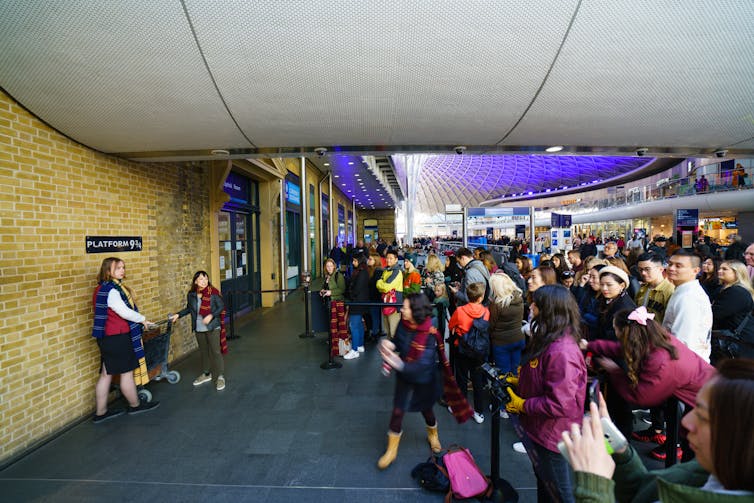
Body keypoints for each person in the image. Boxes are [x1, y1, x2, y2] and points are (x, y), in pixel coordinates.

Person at [562, 359, 754, 503]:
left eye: (703, 417)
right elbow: (642, 490)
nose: (686, 422)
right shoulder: (710, 470)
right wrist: (619, 450)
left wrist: (593, 487)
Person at [583, 306, 714, 461]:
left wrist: (615, 371)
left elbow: (641, 396)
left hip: (710, 403)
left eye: (615, 330)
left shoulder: (659, 360)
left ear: (625, 332)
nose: (615, 335)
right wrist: (590, 345)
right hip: (705, 392)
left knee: (696, 452)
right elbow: (623, 349)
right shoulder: (655, 339)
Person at [504, 284, 587, 503]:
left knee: (559, 491)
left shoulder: (562, 351)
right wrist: (520, 381)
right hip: (540, 428)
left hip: (552, 433)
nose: (530, 306)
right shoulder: (550, 338)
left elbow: (560, 403)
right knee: (545, 484)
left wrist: (523, 405)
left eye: (536, 304)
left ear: (548, 310)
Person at [377, 293, 473, 469]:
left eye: (405, 308)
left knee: (427, 410)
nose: (401, 310)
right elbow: (398, 341)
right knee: (398, 410)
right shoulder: (404, 323)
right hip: (405, 375)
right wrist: (390, 346)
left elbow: (422, 365)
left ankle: (433, 435)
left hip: (424, 378)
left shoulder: (430, 332)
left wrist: (396, 362)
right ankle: (391, 451)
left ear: (416, 311)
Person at [91, 257, 159, 422]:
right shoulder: (113, 291)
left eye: (123, 267)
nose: (123, 270)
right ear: (108, 271)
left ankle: (101, 413)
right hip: (117, 337)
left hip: (105, 337)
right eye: (118, 268)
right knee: (126, 374)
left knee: (107, 374)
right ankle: (135, 405)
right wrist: (143, 319)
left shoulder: (100, 289)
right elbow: (125, 312)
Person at [170, 270, 228, 391]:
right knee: (204, 352)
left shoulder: (213, 293)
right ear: (196, 281)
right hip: (199, 328)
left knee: (216, 352)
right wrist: (178, 315)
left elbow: (221, 306)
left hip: (213, 327)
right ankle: (206, 374)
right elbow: (189, 309)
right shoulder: (191, 295)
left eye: (206, 279)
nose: (204, 281)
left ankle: (220, 377)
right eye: (201, 279)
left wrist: (211, 315)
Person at [448, 282, 490, 423]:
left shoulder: (460, 311)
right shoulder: (486, 312)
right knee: (477, 381)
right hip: (478, 351)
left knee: (461, 378)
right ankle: (478, 412)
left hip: (462, 348)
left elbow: (451, 325)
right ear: (481, 297)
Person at [664, 249, 713, 363]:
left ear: (695, 270)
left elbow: (683, 341)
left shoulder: (689, 297)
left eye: (678, 266)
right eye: (670, 264)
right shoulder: (683, 290)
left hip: (687, 364)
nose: (671, 268)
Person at [711, 260, 754, 362]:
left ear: (737, 273)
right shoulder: (727, 289)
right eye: (720, 268)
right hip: (734, 339)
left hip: (737, 341)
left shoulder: (736, 292)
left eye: (725, 269)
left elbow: (715, 314)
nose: (719, 271)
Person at [488, 271, 525, 385]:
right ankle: (516, 397)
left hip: (501, 343)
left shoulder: (497, 304)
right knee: (516, 373)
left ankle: (503, 401)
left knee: (503, 375)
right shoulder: (519, 298)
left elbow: (491, 325)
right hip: (518, 338)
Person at [343, 253, 370, 360]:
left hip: (357, 302)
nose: (353, 262)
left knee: (353, 325)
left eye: (355, 261)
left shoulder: (362, 273)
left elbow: (356, 289)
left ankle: (354, 350)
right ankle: (359, 345)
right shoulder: (363, 271)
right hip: (361, 302)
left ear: (359, 261)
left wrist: (350, 295)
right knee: (358, 324)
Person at [321, 258, 348, 356]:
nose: (329, 268)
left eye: (330, 266)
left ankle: (341, 347)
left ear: (334, 266)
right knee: (333, 326)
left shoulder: (338, 275)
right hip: (331, 303)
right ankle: (334, 344)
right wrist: (323, 291)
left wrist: (330, 293)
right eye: (327, 266)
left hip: (338, 303)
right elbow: (326, 287)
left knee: (339, 325)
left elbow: (342, 290)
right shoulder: (327, 276)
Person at [376, 249, 403, 338]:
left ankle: (396, 351)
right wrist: (381, 284)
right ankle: (390, 351)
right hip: (386, 304)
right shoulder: (386, 270)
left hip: (394, 306)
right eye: (387, 258)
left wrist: (380, 283)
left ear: (396, 260)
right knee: (388, 333)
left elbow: (386, 286)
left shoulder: (397, 272)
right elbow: (380, 288)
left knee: (393, 332)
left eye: (391, 258)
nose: (388, 260)